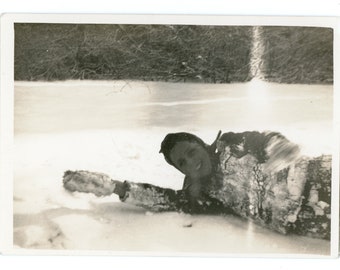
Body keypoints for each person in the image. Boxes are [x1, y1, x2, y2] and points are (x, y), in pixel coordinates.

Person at [63, 130, 331, 239]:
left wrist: (279, 147)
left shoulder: (233, 144)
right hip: (311, 220)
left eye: (192, 151)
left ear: (202, 144)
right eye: (183, 162)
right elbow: (164, 199)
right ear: (182, 170)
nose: (192, 161)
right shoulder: (203, 194)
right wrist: (115, 187)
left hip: (320, 177)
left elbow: (265, 139)